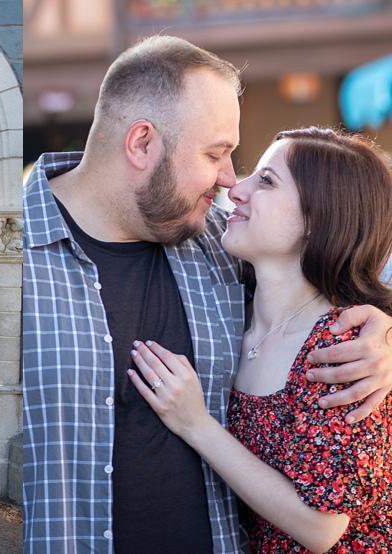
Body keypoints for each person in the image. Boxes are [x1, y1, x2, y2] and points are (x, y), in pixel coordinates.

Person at [22, 35, 392, 553]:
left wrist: (383, 329)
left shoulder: (224, 243)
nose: (229, 181)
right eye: (215, 153)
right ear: (143, 143)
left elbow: (335, 272)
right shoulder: (10, 253)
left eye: (255, 173)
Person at [128, 128, 392, 552]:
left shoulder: (341, 345)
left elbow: (320, 527)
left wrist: (195, 423)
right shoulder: (237, 312)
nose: (236, 189)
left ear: (317, 219)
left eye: (266, 181)